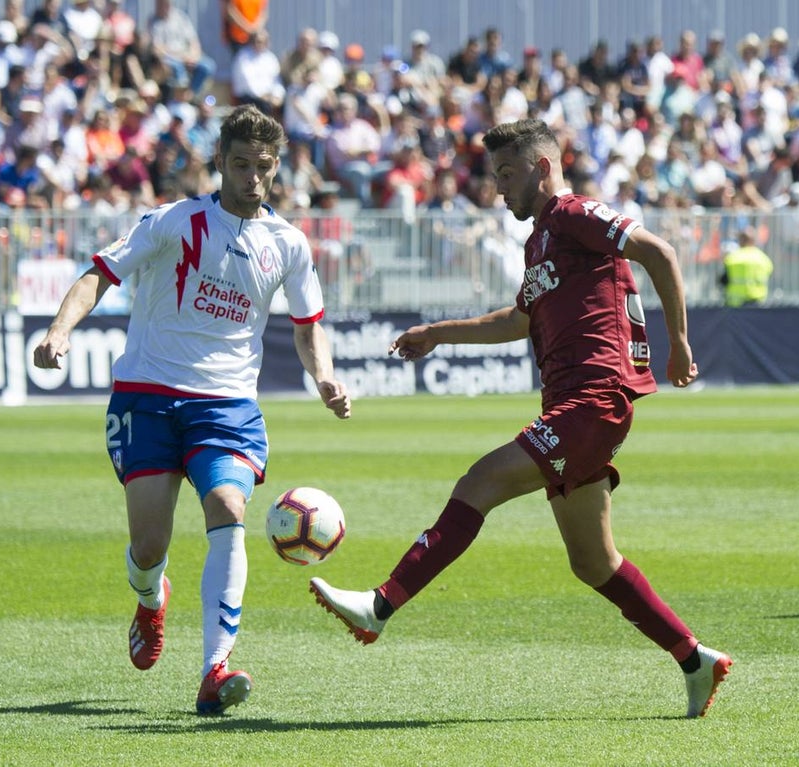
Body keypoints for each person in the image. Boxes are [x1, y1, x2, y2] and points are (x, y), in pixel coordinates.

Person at [308, 118, 732, 720]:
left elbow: (658, 252)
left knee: (478, 483)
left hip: (593, 399)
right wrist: (438, 333)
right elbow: (517, 321)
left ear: (542, 167)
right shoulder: (539, 243)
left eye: (507, 174)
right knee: (593, 562)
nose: (499, 187)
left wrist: (680, 343)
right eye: (495, 175)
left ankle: (379, 607)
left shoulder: (575, 213)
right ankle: (695, 660)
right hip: (571, 406)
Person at [32, 105, 352, 716]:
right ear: (221, 162)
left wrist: (325, 376)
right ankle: (151, 599)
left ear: (276, 167)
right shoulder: (173, 221)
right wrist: (60, 330)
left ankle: (214, 669)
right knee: (148, 547)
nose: (253, 177)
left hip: (227, 405)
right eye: (241, 164)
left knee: (228, 506)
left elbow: (308, 324)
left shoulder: (287, 243)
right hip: (147, 396)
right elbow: (99, 274)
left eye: (263, 166)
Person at [720, 228, 773, 307]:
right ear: (754, 241)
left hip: (736, 304)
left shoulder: (733, 258)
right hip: (758, 304)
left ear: (741, 241)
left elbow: (724, 280)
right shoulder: (763, 259)